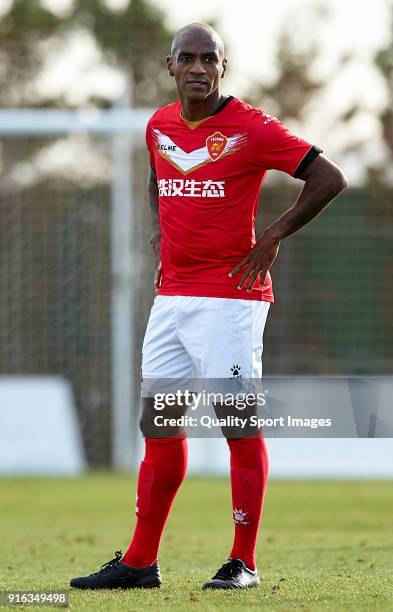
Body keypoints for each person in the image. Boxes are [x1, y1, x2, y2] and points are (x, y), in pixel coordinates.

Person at [70, 22, 347, 591]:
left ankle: (242, 561)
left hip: (233, 300)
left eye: (209, 59)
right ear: (170, 67)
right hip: (172, 300)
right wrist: (157, 233)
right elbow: (157, 179)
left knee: (236, 427)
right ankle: (141, 563)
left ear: (224, 68)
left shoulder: (249, 127)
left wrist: (272, 236)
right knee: (161, 426)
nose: (198, 68)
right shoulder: (159, 125)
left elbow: (329, 177)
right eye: (187, 58)